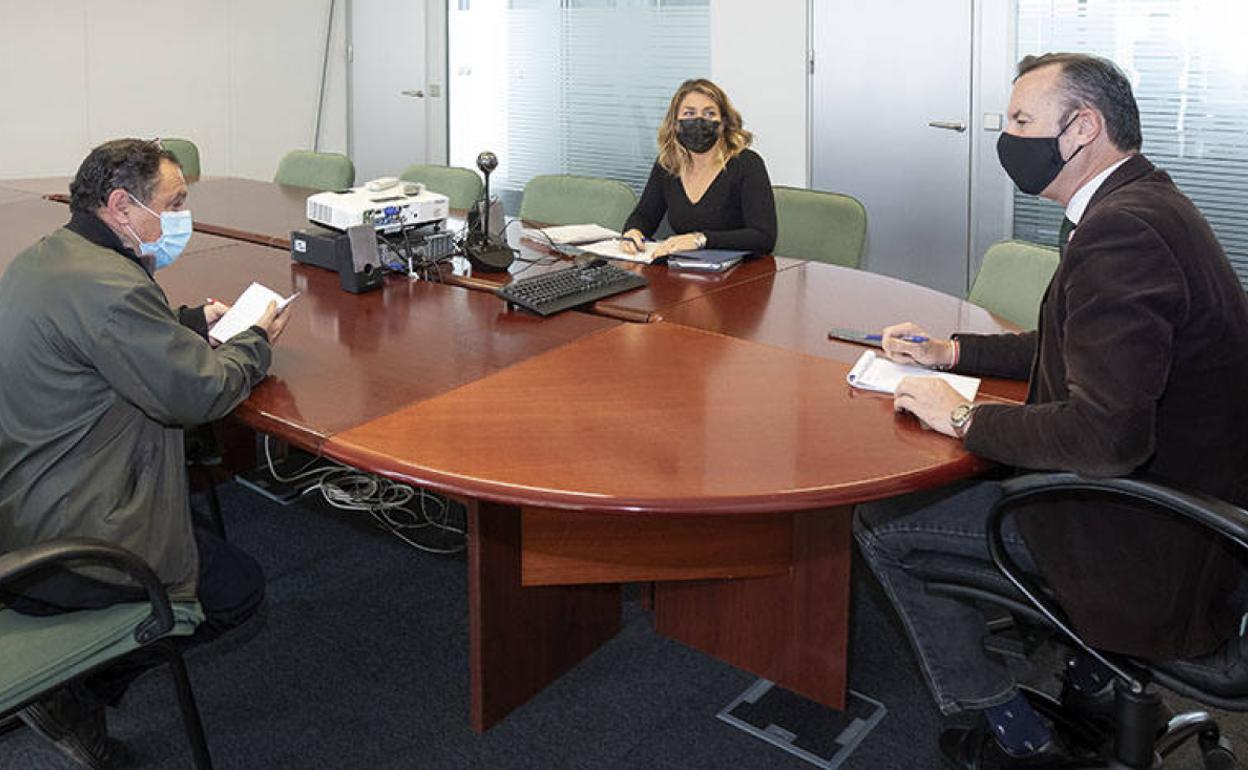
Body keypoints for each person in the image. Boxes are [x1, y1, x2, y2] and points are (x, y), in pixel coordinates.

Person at [853, 53, 1248, 768]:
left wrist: (962, 418)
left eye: (1022, 121)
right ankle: (1096, 674)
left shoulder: (1121, 234)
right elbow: (1075, 344)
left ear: (1083, 128)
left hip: (1147, 534)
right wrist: (951, 353)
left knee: (883, 525)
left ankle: (1007, 720)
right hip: (1195, 506)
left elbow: (1106, 436)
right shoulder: (1142, 202)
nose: (1007, 137)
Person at [0, 138, 291, 768]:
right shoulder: (110, 285)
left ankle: (73, 683)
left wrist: (184, 324)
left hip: (21, 499)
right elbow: (201, 392)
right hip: (75, 531)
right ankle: (74, 688)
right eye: (175, 202)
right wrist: (252, 342)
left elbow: (97, 335)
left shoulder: (52, 258)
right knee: (238, 592)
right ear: (121, 206)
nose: (183, 216)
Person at [620, 78, 777, 259]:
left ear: (723, 123)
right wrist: (633, 232)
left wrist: (701, 239)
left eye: (709, 114)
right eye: (689, 114)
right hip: (684, 271)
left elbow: (763, 237)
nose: (699, 121)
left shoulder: (747, 163)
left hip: (739, 274)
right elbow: (645, 215)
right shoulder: (668, 164)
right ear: (676, 123)